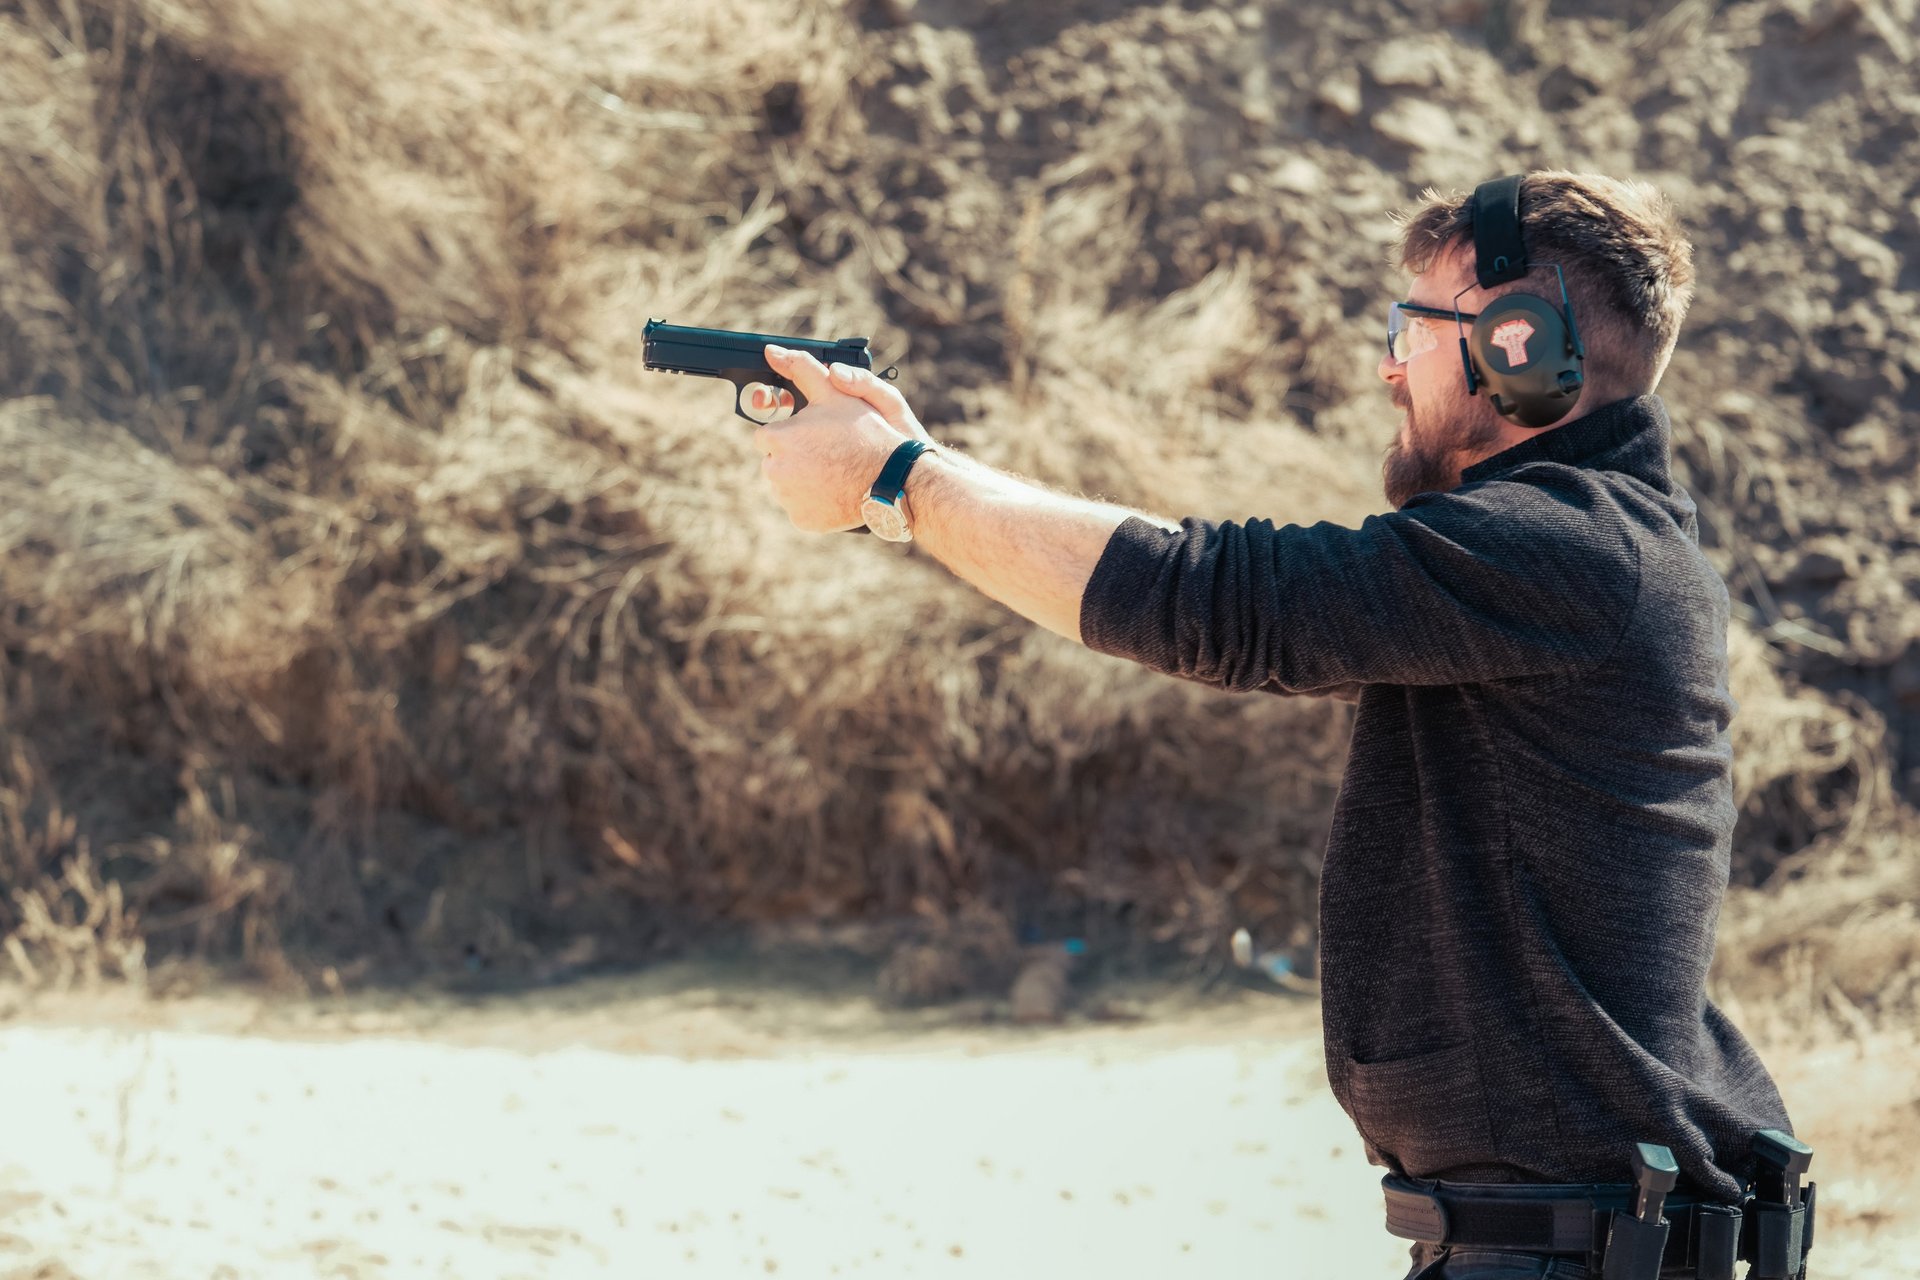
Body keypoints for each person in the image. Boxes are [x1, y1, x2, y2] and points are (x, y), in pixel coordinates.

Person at [748, 170, 1800, 1278]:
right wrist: (927, 470)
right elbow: (1209, 593)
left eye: (1417, 326)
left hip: (1572, 1246)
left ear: (1519, 345)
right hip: (1559, 1236)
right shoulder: (1580, 548)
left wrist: (902, 486)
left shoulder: (1572, 550)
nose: (1390, 363)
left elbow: (1217, 600)